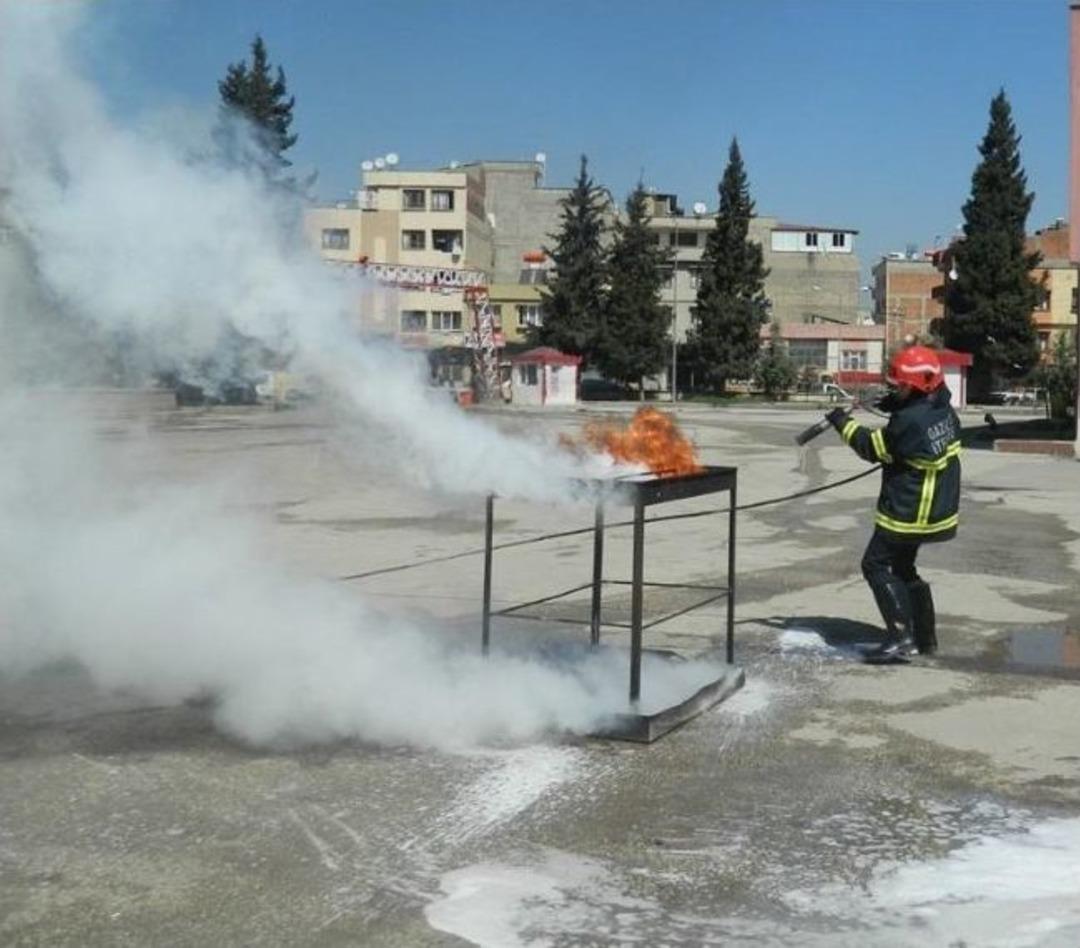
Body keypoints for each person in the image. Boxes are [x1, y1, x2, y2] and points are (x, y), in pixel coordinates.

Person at [825, 346, 961, 662]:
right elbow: (914, 415)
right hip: (938, 511)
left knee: (874, 565)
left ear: (918, 386)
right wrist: (894, 401)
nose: (895, 389)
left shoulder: (908, 423)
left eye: (900, 385)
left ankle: (900, 637)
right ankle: (925, 639)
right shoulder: (943, 408)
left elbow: (872, 446)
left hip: (908, 511)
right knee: (903, 567)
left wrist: (840, 422)